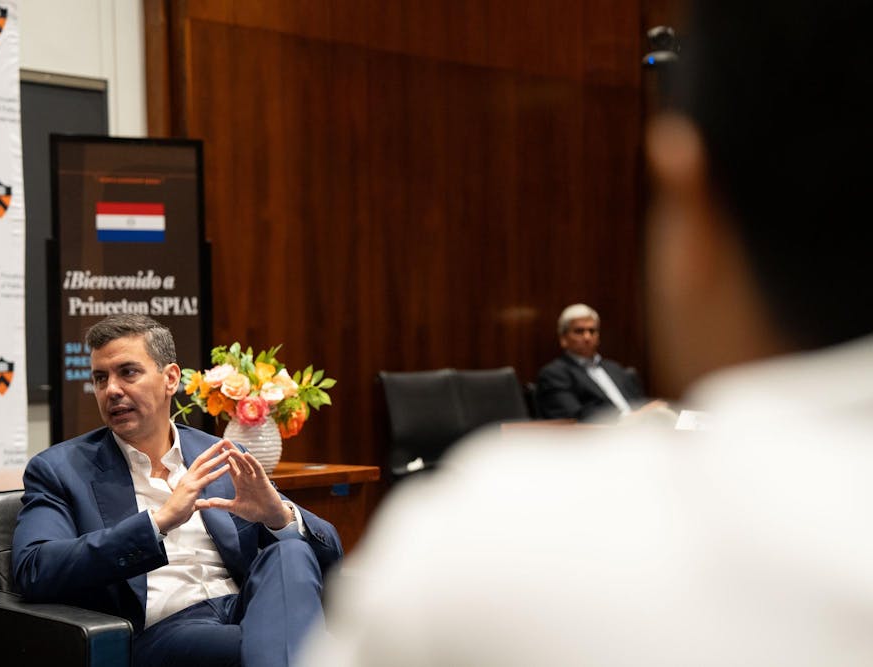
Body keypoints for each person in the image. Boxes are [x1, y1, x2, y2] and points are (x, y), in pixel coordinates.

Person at [299, 0, 873, 664]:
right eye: (582, 328)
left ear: (686, 187)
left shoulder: (493, 545)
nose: (590, 336)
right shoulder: (557, 392)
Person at [12, 314, 343, 667]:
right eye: (100, 378)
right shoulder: (60, 470)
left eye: (128, 372)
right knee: (309, 648)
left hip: (247, 608)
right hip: (168, 629)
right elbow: (35, 569)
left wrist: (278, 516)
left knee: (290, 552)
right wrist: (158, 522)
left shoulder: (222, 454)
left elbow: (331, 553)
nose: (111, 390)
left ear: (170, 378)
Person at [535, 303, 648, 421]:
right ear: (563, 339)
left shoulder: (615, 368)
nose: (587, 337)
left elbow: (639, 404)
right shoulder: (554, 374)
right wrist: (627, 419)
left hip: (642, 432)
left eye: (592, 331)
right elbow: (573, 416)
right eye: (579, 331)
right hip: (600, 435)